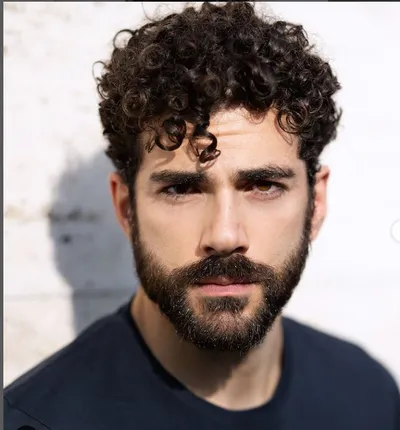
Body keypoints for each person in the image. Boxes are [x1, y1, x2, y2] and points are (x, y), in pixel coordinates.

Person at [4, 2, 399, 429]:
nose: (225, 234)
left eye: (263, 185)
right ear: (126, 209)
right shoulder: (36, 420)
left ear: (315, 203)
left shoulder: (369, 394)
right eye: (181, 188)